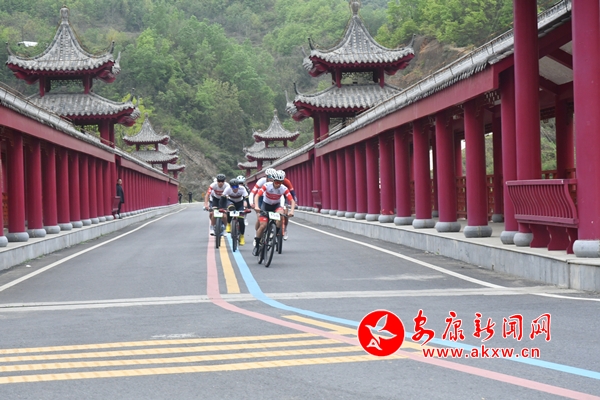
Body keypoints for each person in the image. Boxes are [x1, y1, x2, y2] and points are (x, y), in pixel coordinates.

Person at [252, 170, 296, 255]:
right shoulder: (266, 185)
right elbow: (257, 196)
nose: (278, 184)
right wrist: (256, 206)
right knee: (263, 226)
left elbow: (292, 201)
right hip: (266, 205)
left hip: (276, 206)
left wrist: (292, 211)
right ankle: (257, 245)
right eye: (276, 182)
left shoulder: (284, 188)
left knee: (281, 215)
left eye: (280, 182)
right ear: (273, 180)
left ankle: (276, 232)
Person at [222, 178, 250, 245]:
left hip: (240, 203)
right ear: (230, 186)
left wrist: (248, 208)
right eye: (233, 187)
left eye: (236, 186)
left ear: (238, 186)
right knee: (230, 209)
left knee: (241, 220)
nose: (235, 188)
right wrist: (221, 207)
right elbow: (222, 198)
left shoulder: (242, 188)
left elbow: (246, 198)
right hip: (231, 201)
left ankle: (242, 236)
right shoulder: (228, 189)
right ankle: (228, 224)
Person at [278, 170, 296, 241]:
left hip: (284, 197)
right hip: (274, 197)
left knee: (285, 213)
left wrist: (295, 202)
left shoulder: (287, 182)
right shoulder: (272, 183)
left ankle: (285, 229)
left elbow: (292, 193)